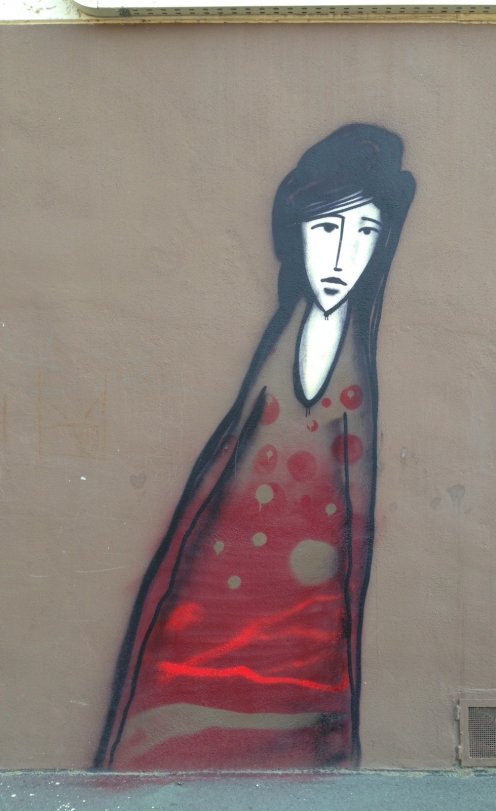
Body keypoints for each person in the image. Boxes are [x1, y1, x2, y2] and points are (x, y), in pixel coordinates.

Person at [94, 124, 415, 770]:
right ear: (297, 233)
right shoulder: (277, 344)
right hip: (211, 594)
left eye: (365, 233)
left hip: (308, 621)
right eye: (327, 229)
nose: (342, 257)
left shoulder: (361, 360)